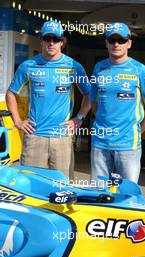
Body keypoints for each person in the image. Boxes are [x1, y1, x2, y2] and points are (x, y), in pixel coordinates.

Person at [6, 20, 90, 179]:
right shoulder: (28, 65)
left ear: (62, 42)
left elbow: (89, 94)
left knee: (62, 187)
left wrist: (79, 119)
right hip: (35, 136)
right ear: (42, 40)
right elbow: (11, 93)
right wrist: (17, 121)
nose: (51, 43)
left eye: (56, 39)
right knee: (31, 184)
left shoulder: (73, 66)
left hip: (62, 137)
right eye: (47, 38)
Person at [90, 22, 145, 183]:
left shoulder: (139, 69)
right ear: (106, 43)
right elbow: (93, 102)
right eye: (112, 40)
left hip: (128, 145)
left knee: (128, 195)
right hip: (100, 143)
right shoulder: (98, 68)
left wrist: (137, 131)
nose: (116, 44)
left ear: (129, 43)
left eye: (121, 40)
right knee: (98, 193)